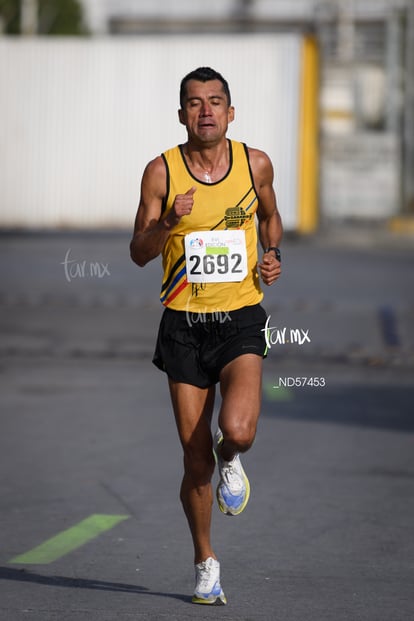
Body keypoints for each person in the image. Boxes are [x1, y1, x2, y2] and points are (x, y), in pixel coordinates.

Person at [130, 66, 282, 605]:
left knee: (235, 432)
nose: (206, 111)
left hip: (240, 318)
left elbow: (271, 218)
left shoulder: (254, 163)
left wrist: (273, 255)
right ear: (181, 114)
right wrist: (169, 221)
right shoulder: (161, 173)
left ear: (231, 111)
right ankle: (205, 561)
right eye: (194, 103)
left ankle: (233, 456)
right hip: (184, 326)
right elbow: (139, 252)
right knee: (195, 460)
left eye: (215, 101)